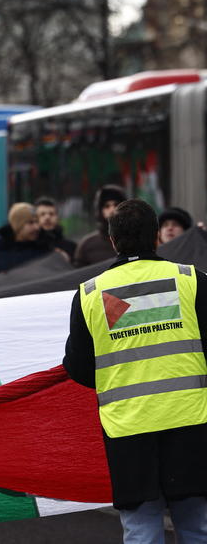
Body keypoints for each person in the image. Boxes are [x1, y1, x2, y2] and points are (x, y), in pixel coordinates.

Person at [63, 199, 207, 543]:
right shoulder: (192, 281)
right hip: (189, 421)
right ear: (157, 237)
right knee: (197, 525)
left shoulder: (89, 294)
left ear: (112, 240)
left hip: (128, 428)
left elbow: (79, 367)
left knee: (141, 530)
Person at [0, 203, 52, 274]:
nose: (37, 227)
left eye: (37, 222)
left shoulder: (45, 250)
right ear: (17, 226)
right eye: (31, 223)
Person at [74, 184, 126, 267]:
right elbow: (79, 275)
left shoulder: (134, 240)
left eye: (116, 204)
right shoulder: (87, 245)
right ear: (100, 210)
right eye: (107, 206)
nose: (112, 210)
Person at [34, 197, 77, 261]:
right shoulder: (31, 248)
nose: (47, 217)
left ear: (57, 218)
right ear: (35, 218)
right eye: (42, 214)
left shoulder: (71, 247)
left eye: (51, 214)